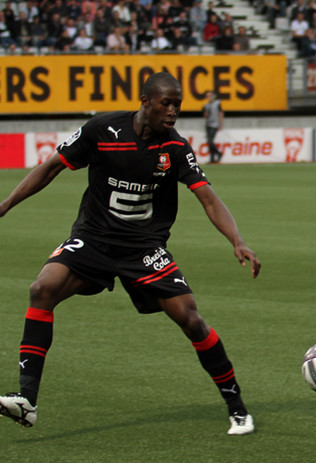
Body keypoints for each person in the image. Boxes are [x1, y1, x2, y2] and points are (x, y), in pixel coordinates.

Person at [0, 72, 261, 435]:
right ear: (145, 101)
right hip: (93, 240)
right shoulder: (102, 130)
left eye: (177, 105)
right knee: (42, 289)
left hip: (143, 248)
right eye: (165, 103)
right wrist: (6, 205)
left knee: (191, 319)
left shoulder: (175, 147)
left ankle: (237, 408)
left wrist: (237, 240)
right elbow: (50, 168)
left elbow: (208, 197)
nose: (172, 112)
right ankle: (26, 400)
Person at [202, 90, 223, 164]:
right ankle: (212, 158)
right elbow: (204, 115)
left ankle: (218, 153)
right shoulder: (206, 105)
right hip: (208, 124)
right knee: (209, 141)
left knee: (210, 141)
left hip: (214, 124)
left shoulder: (217, 104)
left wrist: (220, 124)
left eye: (210, 96)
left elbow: (220, 114)